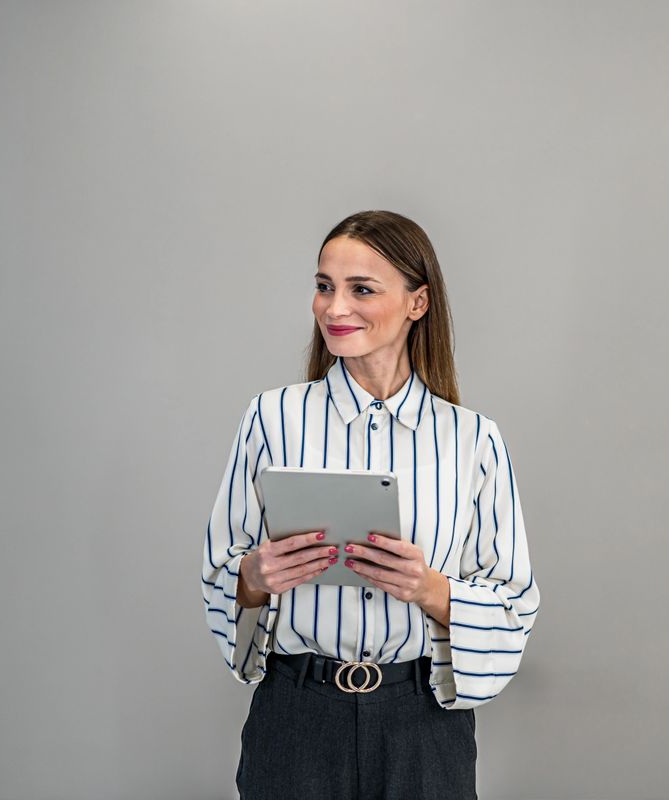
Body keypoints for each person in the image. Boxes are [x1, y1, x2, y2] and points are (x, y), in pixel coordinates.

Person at [201, 210, 540, 800]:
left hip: (423, 729)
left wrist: (429, 588)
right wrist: (254, 576)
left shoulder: (473, 440)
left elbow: (513, 604)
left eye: (361, 289)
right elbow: (221, 571)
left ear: (417, 302)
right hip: (296, 720)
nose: (335, 309)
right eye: (324, 286)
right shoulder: (271, 417)